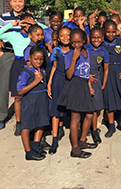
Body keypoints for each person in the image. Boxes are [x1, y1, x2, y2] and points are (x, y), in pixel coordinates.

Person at [0, 13, 47, 136]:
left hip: (33, 65)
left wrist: (35, 23)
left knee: (33, 95)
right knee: (18, 97)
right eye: (25, 22)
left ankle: (33, 121)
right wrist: (12, 25)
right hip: (19, 64)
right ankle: (19, 122)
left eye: (29, 22)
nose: (27, 25)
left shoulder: (34, 35)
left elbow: (47, 30)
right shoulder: (14, 35)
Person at [58, 28, 97, 158]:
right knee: (75, 117)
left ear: (84, 41)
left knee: (90, 114)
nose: (76, 45)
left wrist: (89, 82)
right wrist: (74, 59)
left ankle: (82, 140)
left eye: (79, 42)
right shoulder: (69, 55)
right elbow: (69, 75)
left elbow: (85, 72)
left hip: (84, 85)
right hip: (74, 84)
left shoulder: (87, 52)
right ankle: (75, 149)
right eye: (73, 42)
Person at [0, 0, 25, 130]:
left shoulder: (28, 17)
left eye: (20, 1)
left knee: (24, 83)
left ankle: (24, 113)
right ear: (10, 2)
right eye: (15, 1)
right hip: (8, 53)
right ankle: (1, 116)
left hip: (24, 55)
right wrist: (0, 52)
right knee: (3, 85)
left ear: (24, 3)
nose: (17, 4)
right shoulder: (4, 18)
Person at [17, 45, 50, 161]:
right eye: (36, 59)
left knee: (40, 123)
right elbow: (20, 90)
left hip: (41, 101)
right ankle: (28, 152)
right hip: (29, 102)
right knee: (27, 127)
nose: (39, 61)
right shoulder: (26, 72)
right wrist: (35, 82)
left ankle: (35, 146)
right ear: (30, 58)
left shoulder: (41, 70)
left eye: (41, 59)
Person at [47, 26, 71, 155]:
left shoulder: (75, 50)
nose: (65, 37)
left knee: (73, 110)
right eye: (62, 35)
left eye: (68, 34)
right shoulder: (56, 50)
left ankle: (76, 138)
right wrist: (50, 82)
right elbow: (54, 66)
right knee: (55, 110)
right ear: (58, 38)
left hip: (71, 82)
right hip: (58, 80)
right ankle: (54, 140)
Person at [86, 26, 109, 144]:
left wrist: (103, 84)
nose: (96, 40)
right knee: (83, 106)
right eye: (93, 37)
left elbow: (105, 69)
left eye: (99, 37)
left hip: (96, 81)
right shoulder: (86, 49)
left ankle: (95, 131)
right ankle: (83, 131)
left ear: (102, 38)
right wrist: (86, 75)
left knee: (95, 107)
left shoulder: (104, 52)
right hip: (84, 79)